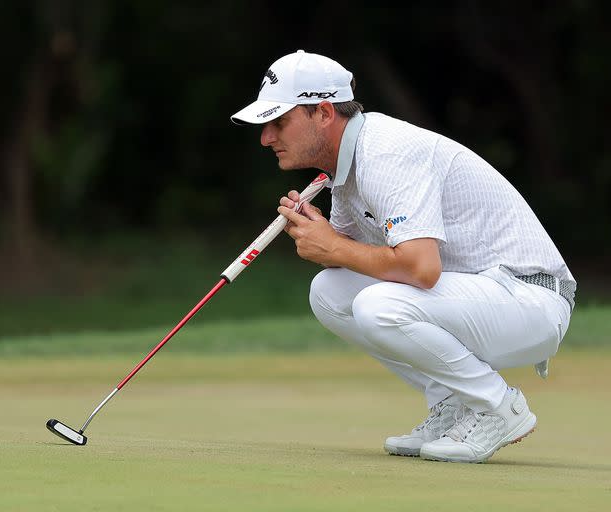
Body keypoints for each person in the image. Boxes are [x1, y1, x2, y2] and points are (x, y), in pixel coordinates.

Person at [231, 50, 576, 463]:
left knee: (379, 305)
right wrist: (320, 234)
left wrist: (333, 245)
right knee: (330, 291)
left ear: (323, 112)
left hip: (530, 298)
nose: (266, 137)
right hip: (482, 297)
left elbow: (420, 269)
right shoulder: (348, 165)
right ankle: (453, 403)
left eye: (279, 122)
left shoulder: (386, 153)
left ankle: (498, 407)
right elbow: (356, 257)